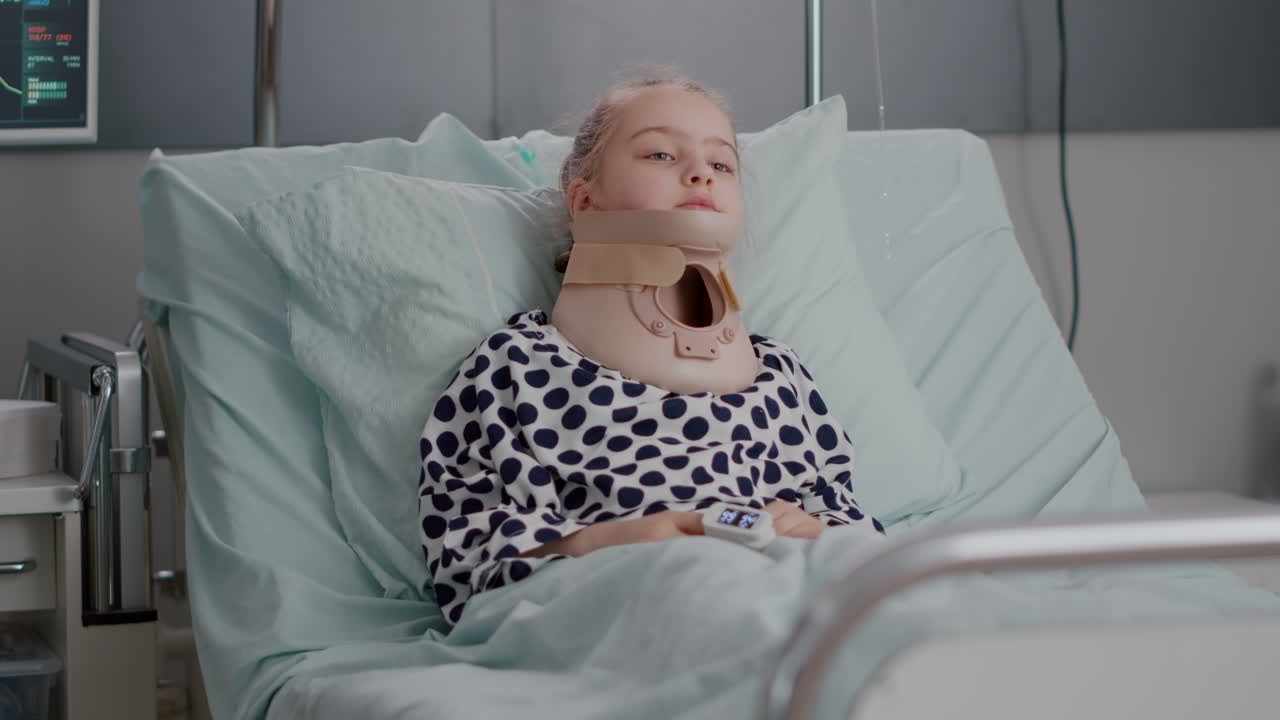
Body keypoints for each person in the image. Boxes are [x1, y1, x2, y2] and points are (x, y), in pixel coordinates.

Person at [418, 68, 883, 626]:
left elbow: (857, 532)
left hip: (794, 598)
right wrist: (625, 539)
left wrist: (815, 534)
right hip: (626, 599)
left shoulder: (784, 377)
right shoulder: (517, 366)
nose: (699, 174)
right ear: (585, 201)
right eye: (661, 155)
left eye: (722, 164)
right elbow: (465, 552)